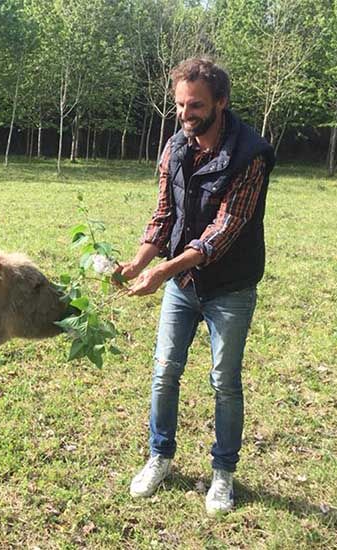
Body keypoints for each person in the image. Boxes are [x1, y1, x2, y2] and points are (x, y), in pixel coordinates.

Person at [114, 57, 274, 516]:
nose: (185, 113)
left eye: (196, 105)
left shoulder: (251, 156)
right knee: (164, 371)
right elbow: (164, 216)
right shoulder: (174, 147)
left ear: (221, 103)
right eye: (180, 104)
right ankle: (160, 456)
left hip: (230, 287)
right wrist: (138, 261)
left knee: (224, 381)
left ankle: (222, 473)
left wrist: (161, 272)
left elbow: (220, 234)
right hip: (182, 284)